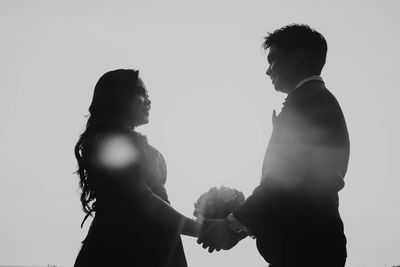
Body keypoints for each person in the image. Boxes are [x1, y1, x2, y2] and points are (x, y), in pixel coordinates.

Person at [198, 24, 350, 267]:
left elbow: (285, 180)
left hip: (306, 248)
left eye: (273, 60)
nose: (268, 71)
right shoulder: (313, 100)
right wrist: (244, 227)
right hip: (306, 244)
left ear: (297, 56)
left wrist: (231, 224)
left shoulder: (308, 103)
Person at [74, 69, 201, 267]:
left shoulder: (138, 145)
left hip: (158, 245)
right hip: (122, 249)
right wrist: (200, 229)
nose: (148, 101)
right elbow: (144, 201)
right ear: (118, 96)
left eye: (148, 94)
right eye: (140, 93)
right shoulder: (109, 143)